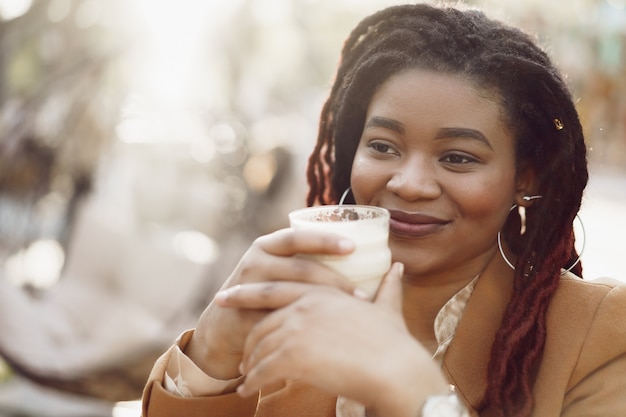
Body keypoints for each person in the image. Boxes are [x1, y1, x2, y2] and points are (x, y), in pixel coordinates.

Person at [141, 3, 626, 417]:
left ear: (526, 178)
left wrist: (418, 395)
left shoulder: (599, 335)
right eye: (383, 146)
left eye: (458, 157)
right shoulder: (289, 314)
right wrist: (213, 356)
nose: (408, 184)